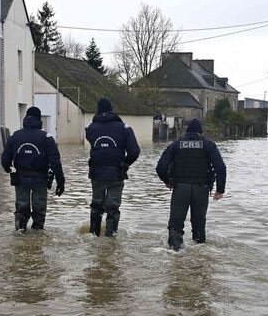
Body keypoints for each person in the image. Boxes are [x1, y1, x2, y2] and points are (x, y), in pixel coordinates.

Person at [155, 118, 227, 251]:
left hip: (180, 188)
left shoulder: (176, 145)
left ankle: (175, 253)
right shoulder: (208, 145)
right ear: (200, 132)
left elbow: (161, 167)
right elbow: (221, 168)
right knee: (199, 225)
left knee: (175, 225)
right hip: (201, 189)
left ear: (186, 132)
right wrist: (220, 189)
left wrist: (167, 181)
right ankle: (199, 255)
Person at [1, 106, 64, 232]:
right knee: (39, 212)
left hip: (21, 179)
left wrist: (7, 167)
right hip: (40, 180)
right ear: (39, 119)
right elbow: (55, 162)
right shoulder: (46, 137)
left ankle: (20, 234)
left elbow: (5, 158)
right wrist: (60, 182)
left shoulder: (15, 136)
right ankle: (37, 239)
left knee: (21, 210)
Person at [84, 97, 140, 237]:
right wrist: (125, 163)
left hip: (96, 173)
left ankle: (93, 236)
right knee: (112, 207)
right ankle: (110, 239)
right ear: (111, 110)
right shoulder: (124, 128)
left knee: (96, 205)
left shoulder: (91, 128)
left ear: (98, 110)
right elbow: (134, 151)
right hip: (116, 173)